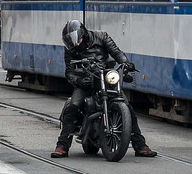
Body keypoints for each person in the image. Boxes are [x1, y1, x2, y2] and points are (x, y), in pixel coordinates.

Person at [51, 20, 157, 159]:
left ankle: (140, 145)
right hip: (85, 82)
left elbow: (116, 52)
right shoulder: (70, 48)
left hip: (104, 78)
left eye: (76, 40)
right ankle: (62, 146)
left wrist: (125, 63)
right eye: (71, 42)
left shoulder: (101, 37)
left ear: (82, 33)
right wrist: (78, 80)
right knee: (73, 107)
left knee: (128, 109)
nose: (75, 44)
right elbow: (69, 72)